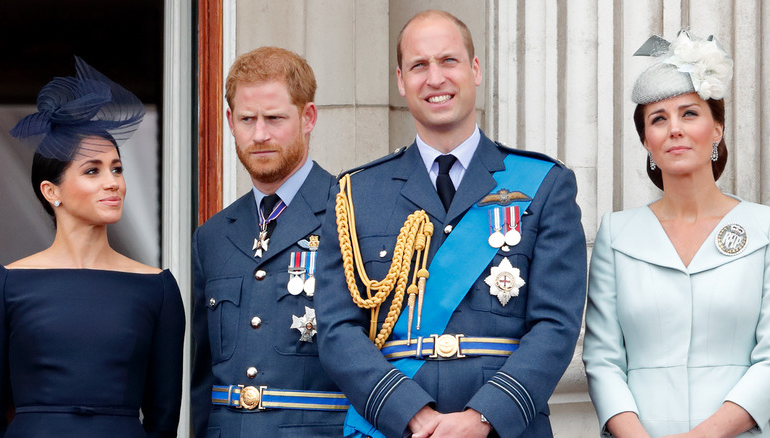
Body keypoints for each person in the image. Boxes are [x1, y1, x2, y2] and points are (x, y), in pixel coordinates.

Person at [315, 10, 586, 438]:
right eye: (419, 65)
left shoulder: (544, 184)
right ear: (401, 80)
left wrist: (483, 418)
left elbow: (556, 325)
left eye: (449, 61)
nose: (435, 78)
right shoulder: (355, 194)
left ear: (475, 70)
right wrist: (410, 414)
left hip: (502, 426)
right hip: (395, 425)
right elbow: (336, 329)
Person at [583, 30, 770, 437]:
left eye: (690, 113)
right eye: (658, 119)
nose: (675, 129)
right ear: (647, 142)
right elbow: (602, 359)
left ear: (717, 129)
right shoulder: (616, 234)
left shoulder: (765, 229)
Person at [0, 57, 185, 438]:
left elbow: (163, 419)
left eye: (117, 168)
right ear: (52, 191)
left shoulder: (158, 287)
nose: (112, 182)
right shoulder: (6, 284)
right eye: (92, 170)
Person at [190, 47, 346, 437]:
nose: (259, 134)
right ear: (229, 121)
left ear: (308, 117)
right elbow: (202, 381)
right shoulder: (212, 236)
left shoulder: (352, 214)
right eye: (247, 119)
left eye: (274, 118)